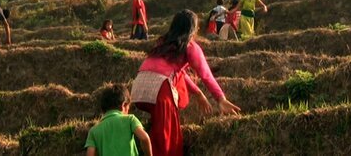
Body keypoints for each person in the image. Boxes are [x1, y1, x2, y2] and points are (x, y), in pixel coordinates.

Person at [131, 10, 240, 156]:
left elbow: (179, 73)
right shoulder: (189, 46)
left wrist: (198, 93)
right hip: (160, 90)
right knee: (170, 137)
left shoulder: (162, 43)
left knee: (158, 131)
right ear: (193, 28)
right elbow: (205, 74)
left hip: (138, 88)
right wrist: (221, 99)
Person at [85, 84, 152, 156]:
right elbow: (144, 138)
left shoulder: (94, 131)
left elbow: (90, 154)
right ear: (124, 105)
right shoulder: (130, 119)